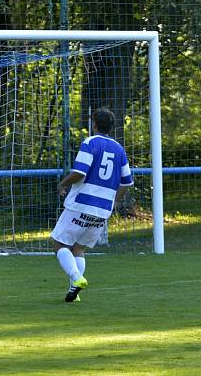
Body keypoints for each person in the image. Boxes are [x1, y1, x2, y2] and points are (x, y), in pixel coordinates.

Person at [52, 108, 133, 303]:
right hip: (103, 209)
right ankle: (74, 291)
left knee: (59, 244)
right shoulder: (119, 149)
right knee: (79, 248)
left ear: (94, 124)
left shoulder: (90, 143)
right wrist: (114, 202)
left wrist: (63, 183)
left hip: (81, 204)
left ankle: (76, 278)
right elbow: (127, 183)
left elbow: (80, 172)